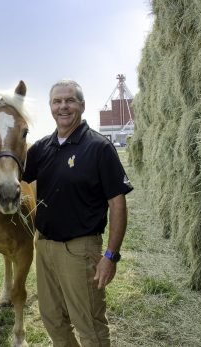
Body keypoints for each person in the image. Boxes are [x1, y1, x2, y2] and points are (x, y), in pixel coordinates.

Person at [22, 80, 133, 347]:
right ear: (50, 107)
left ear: (81, 105)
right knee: (52, 319)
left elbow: (117, 204)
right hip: (45, 247)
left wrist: (110, 256)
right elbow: (12, 171)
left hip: (80, 249)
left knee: (89, 325)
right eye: (57, 101)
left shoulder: (98, 148)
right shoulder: (42, 148)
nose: (63, 107)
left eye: (70, 100)